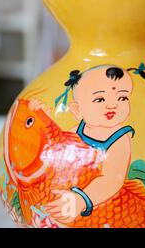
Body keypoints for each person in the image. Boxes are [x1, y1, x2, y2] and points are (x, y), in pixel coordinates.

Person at [45, 66, 135, 223]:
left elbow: (111, 180)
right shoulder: (78, 130)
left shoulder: (120, 139)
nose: (112, 105)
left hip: (101, 201)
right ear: (77, 110)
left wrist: (80, 201)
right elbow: (57, 149)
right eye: (100, 99)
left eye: (122, 98)